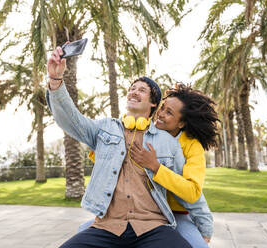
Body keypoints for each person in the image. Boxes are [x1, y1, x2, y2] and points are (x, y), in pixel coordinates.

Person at [46, 46, 198, 248]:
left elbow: (185, 190)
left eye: (142, 90)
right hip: (107, 227)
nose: (134, 91)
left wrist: (203, 226)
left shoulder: (168, 143)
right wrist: (55, 81)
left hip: (152, 227)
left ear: (153, 103)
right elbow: (71, 121)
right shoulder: (104, 129)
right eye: (132, 88)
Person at [80, 83, 219, 247]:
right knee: (82, 230)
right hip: (143, 213)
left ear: (181, 123)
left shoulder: (191, 146)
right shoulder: (145, 132)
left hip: (176, 213)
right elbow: (121, 166)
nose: (160, 114)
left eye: (169, 113)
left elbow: (193, 193)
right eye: (162, 108)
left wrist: (156, 167)